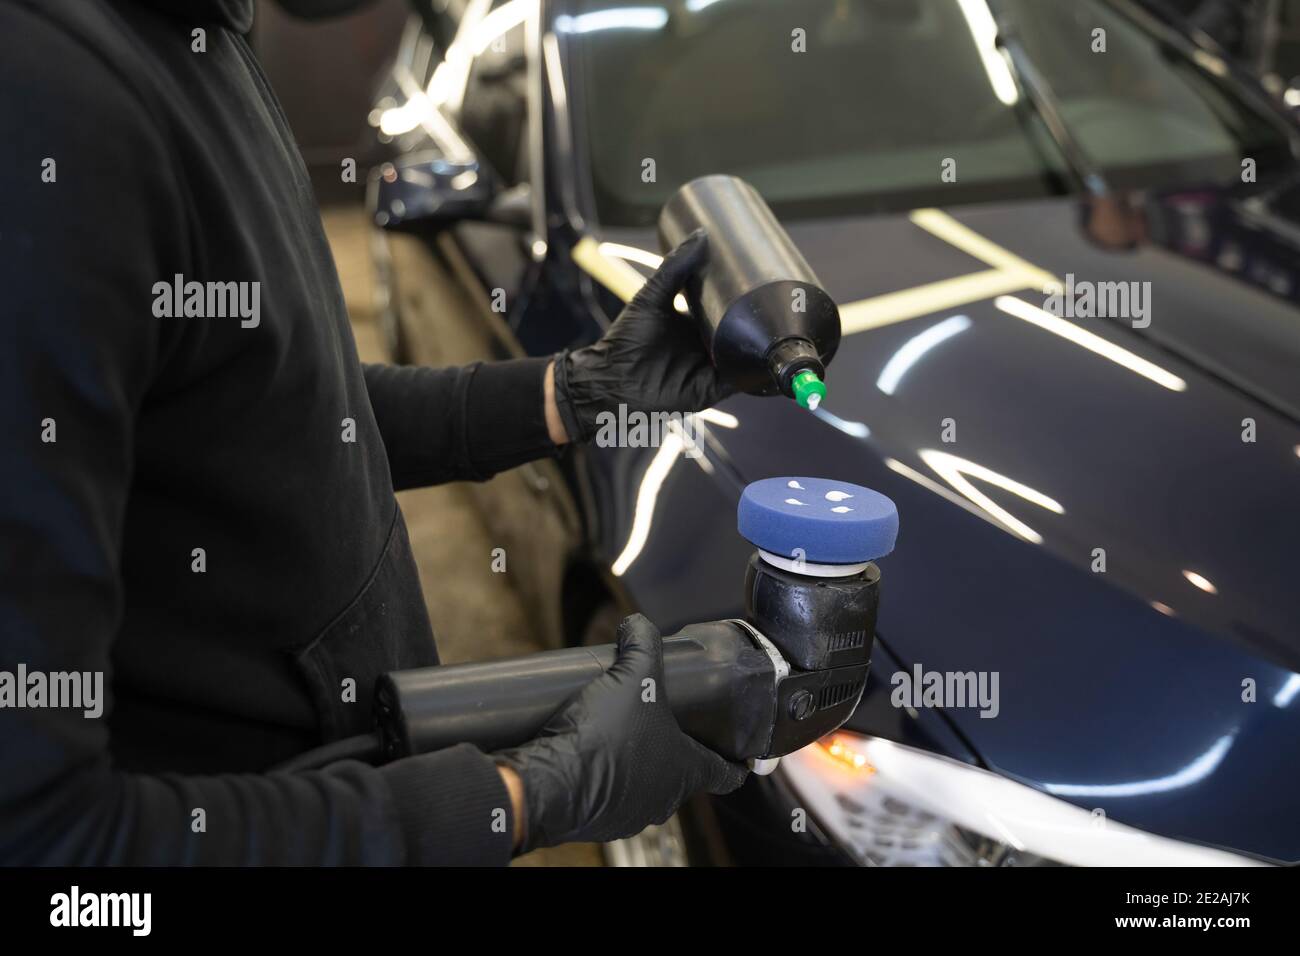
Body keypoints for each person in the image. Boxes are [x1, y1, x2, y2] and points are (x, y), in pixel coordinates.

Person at [0, 0, 747, 865]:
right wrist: (514, 799)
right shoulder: (42, 102)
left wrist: (571, 391)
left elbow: (278, 412)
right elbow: (46, 846)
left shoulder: (198, 35)